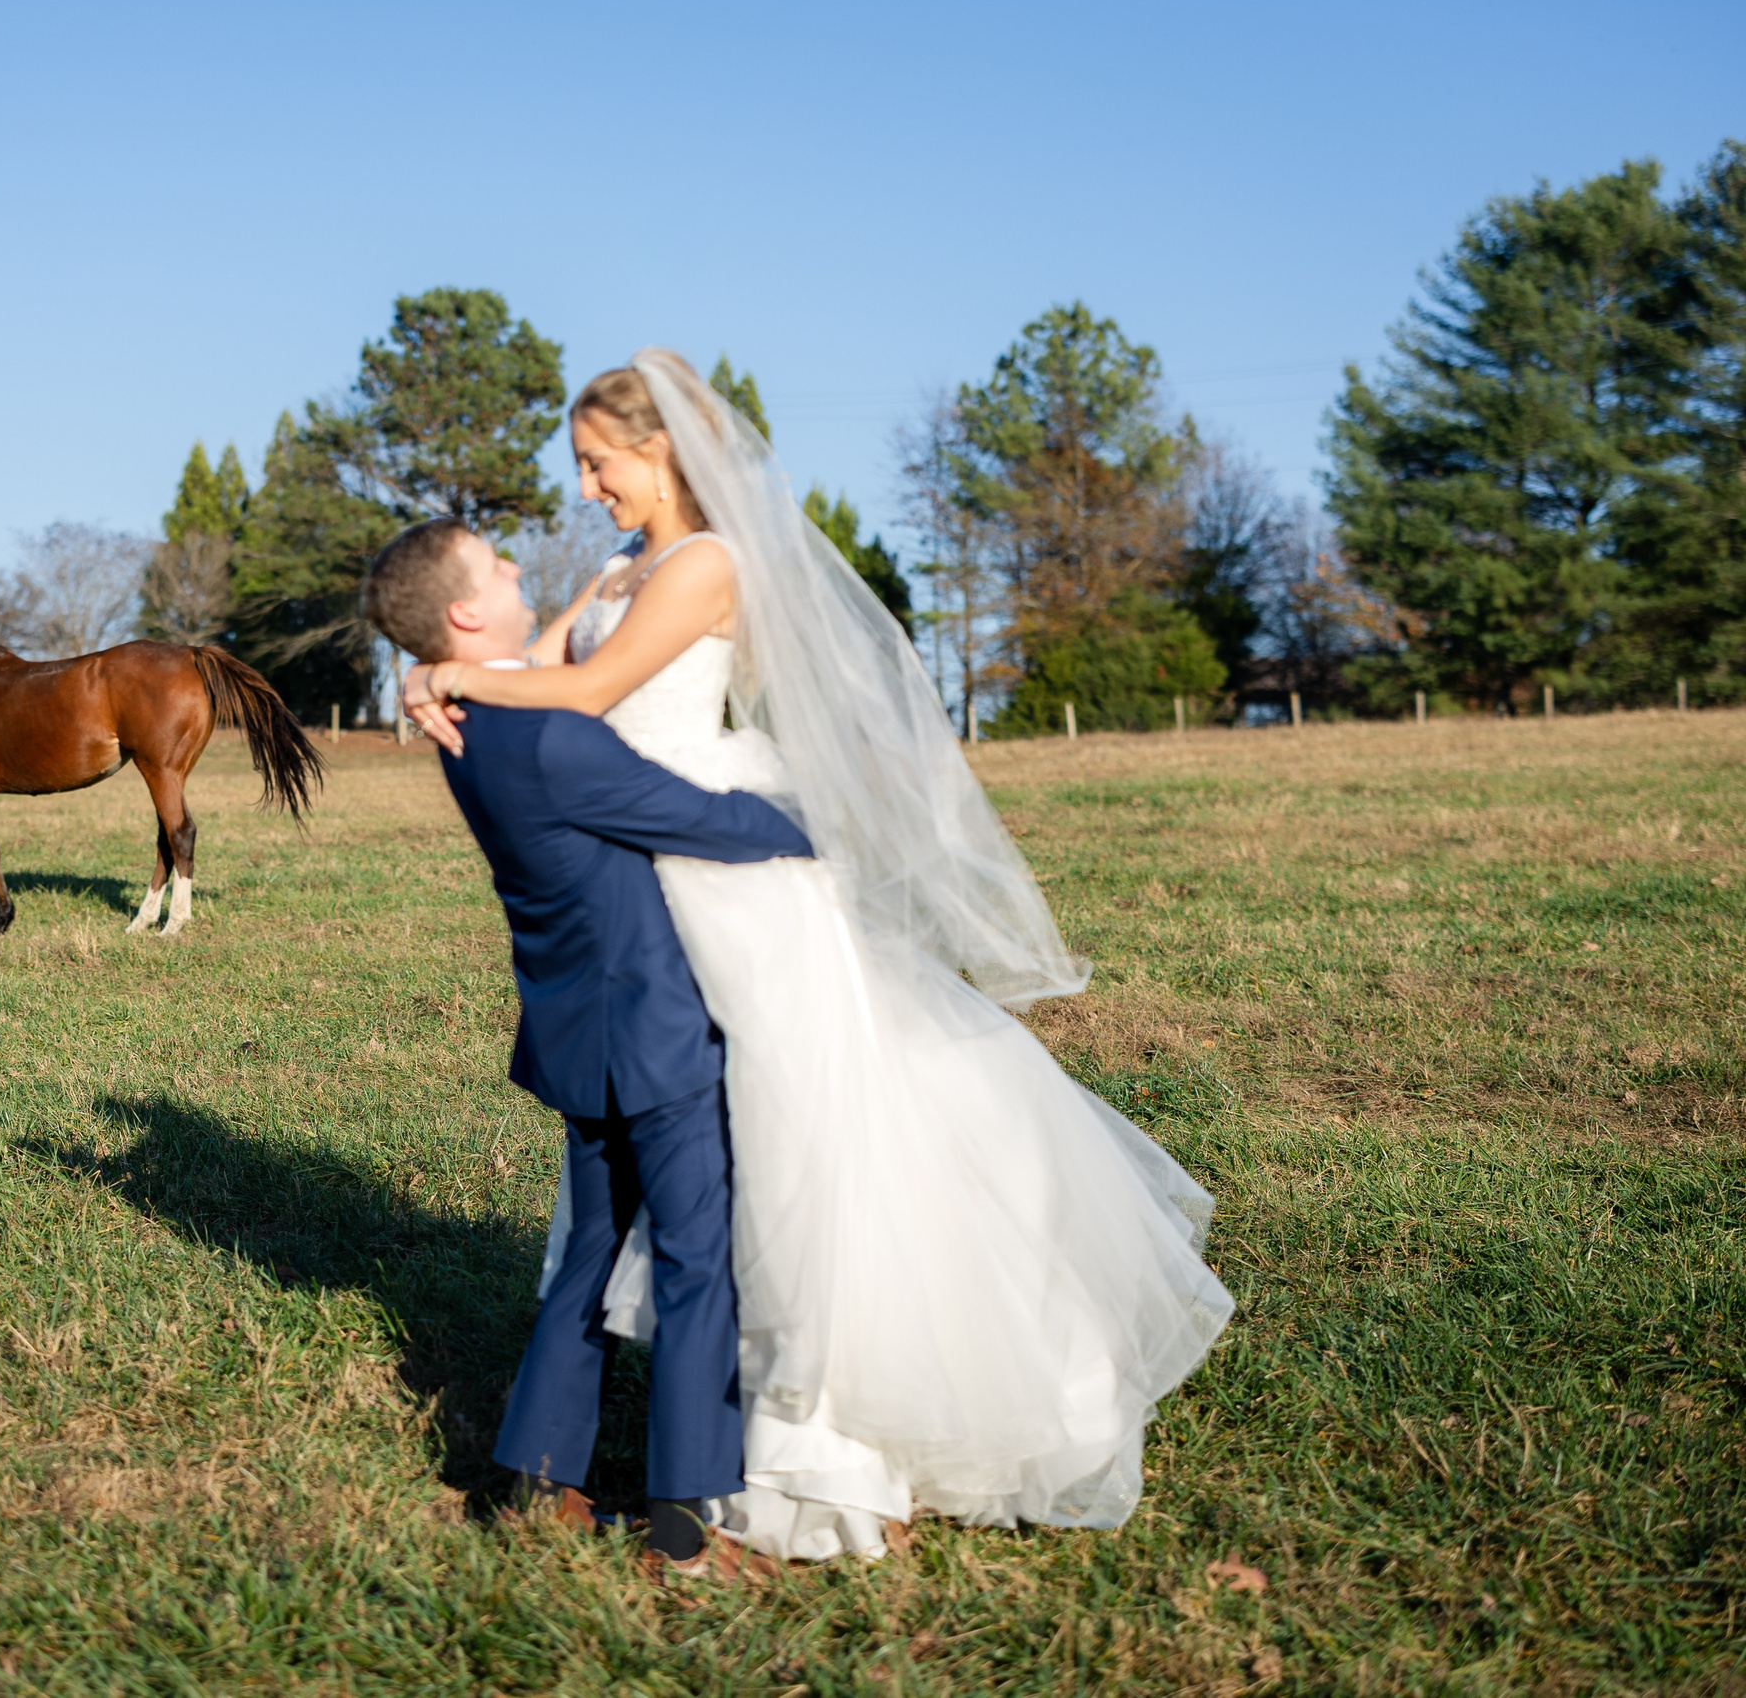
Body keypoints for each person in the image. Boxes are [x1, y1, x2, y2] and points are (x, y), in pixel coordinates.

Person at [401, 350, 1236, 1561]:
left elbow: (589, 697)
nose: (584, 488)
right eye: (577, 466)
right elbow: (551, 678)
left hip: (726, 872)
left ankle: (805, 1456)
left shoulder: (704, 566)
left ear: (664, 454)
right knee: (697, 1179)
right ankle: (667, 1460)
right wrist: (450, 676)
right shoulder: (621, 564)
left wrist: (441, 669)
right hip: (652, 877)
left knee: (794, 1151)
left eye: (597, 463)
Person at [360, 517, 812, 1580]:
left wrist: (428, 669)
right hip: (650, 1027)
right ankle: (684, 1535)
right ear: (468, 611)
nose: (521, 568)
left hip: (572, 1027)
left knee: (590, 1257)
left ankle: (532, 1482)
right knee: (700, 1265)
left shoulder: (467, 711)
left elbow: (548, 657)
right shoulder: (552, 736)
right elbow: (707, 823)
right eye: (497, 565)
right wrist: (822, 823)